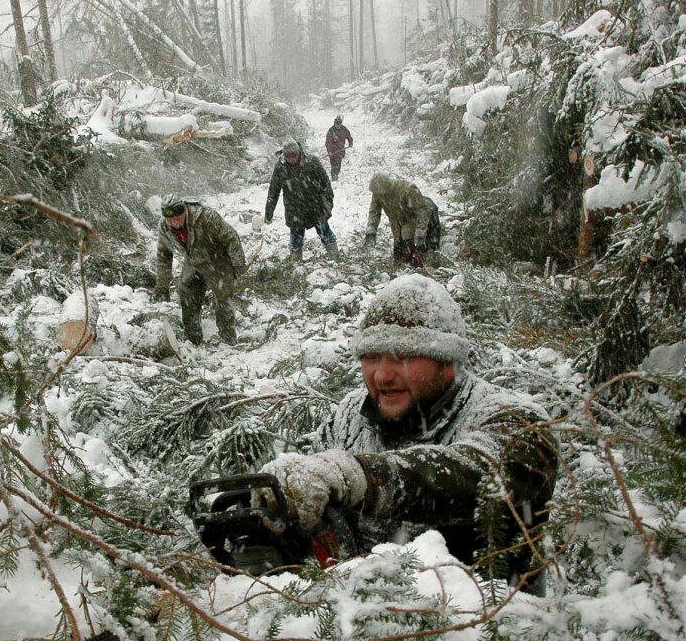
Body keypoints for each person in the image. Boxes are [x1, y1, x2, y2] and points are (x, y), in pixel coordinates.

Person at [256, 274, 558, 587]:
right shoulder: (351, 415)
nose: (383, 375)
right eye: (372, 357)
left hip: (478, 625)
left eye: (403, 356)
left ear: (449, 361)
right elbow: (314, 498)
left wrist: (357, 477)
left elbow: (473, 476)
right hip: (353, 618)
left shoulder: (515, 419)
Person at [154, 196, 246, 345]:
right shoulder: (164, 227)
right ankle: (193, 339)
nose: (174, 223)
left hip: (217, 260)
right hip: (193, 261)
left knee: (223, 298)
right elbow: (164, 256)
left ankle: (228, 339)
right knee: (186, 294)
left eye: (177, 218)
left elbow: (231, 238)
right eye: (170, 220)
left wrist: (238, 264)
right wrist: (162, 286)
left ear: (184, 212)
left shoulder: (207, 217)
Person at [264, 139, 338, 263]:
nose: (292, 159)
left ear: (299, 153)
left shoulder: (312, 162)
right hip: (294, 209)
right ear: (284, 155)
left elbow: (325, 184)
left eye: (294, 156)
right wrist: (268, 213)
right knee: (296, 239)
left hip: (315, 205)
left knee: (325, 232)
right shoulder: (280, 167)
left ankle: (335, 256)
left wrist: (328, 203)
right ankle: (295, 262)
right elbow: (273, 191)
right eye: (288, 156)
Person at [364, 172, 441, 268]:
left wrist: (420, 232)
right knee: (400, 253)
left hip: (427, 216)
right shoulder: (378, 193)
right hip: (400, 222)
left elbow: (423, 212)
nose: (379, 196)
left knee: (425, 250)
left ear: (387, 188)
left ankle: (430, 268)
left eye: (380, 194)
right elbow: (374, 211)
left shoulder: (407, 189)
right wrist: (371, 229)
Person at [325, 115, 354, 181]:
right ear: (334, 123)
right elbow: (328, 142)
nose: (338, 126)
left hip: (340, 151)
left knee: (338, 165)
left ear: (341, 124)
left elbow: (349, 136)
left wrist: (350, 142)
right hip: (332, 152)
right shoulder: (331, 131)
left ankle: (336, 175)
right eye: (336, 124)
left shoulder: (344, 129)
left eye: (339, 124)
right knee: (333, 165)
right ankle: (334, 177)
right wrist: (329, 151)